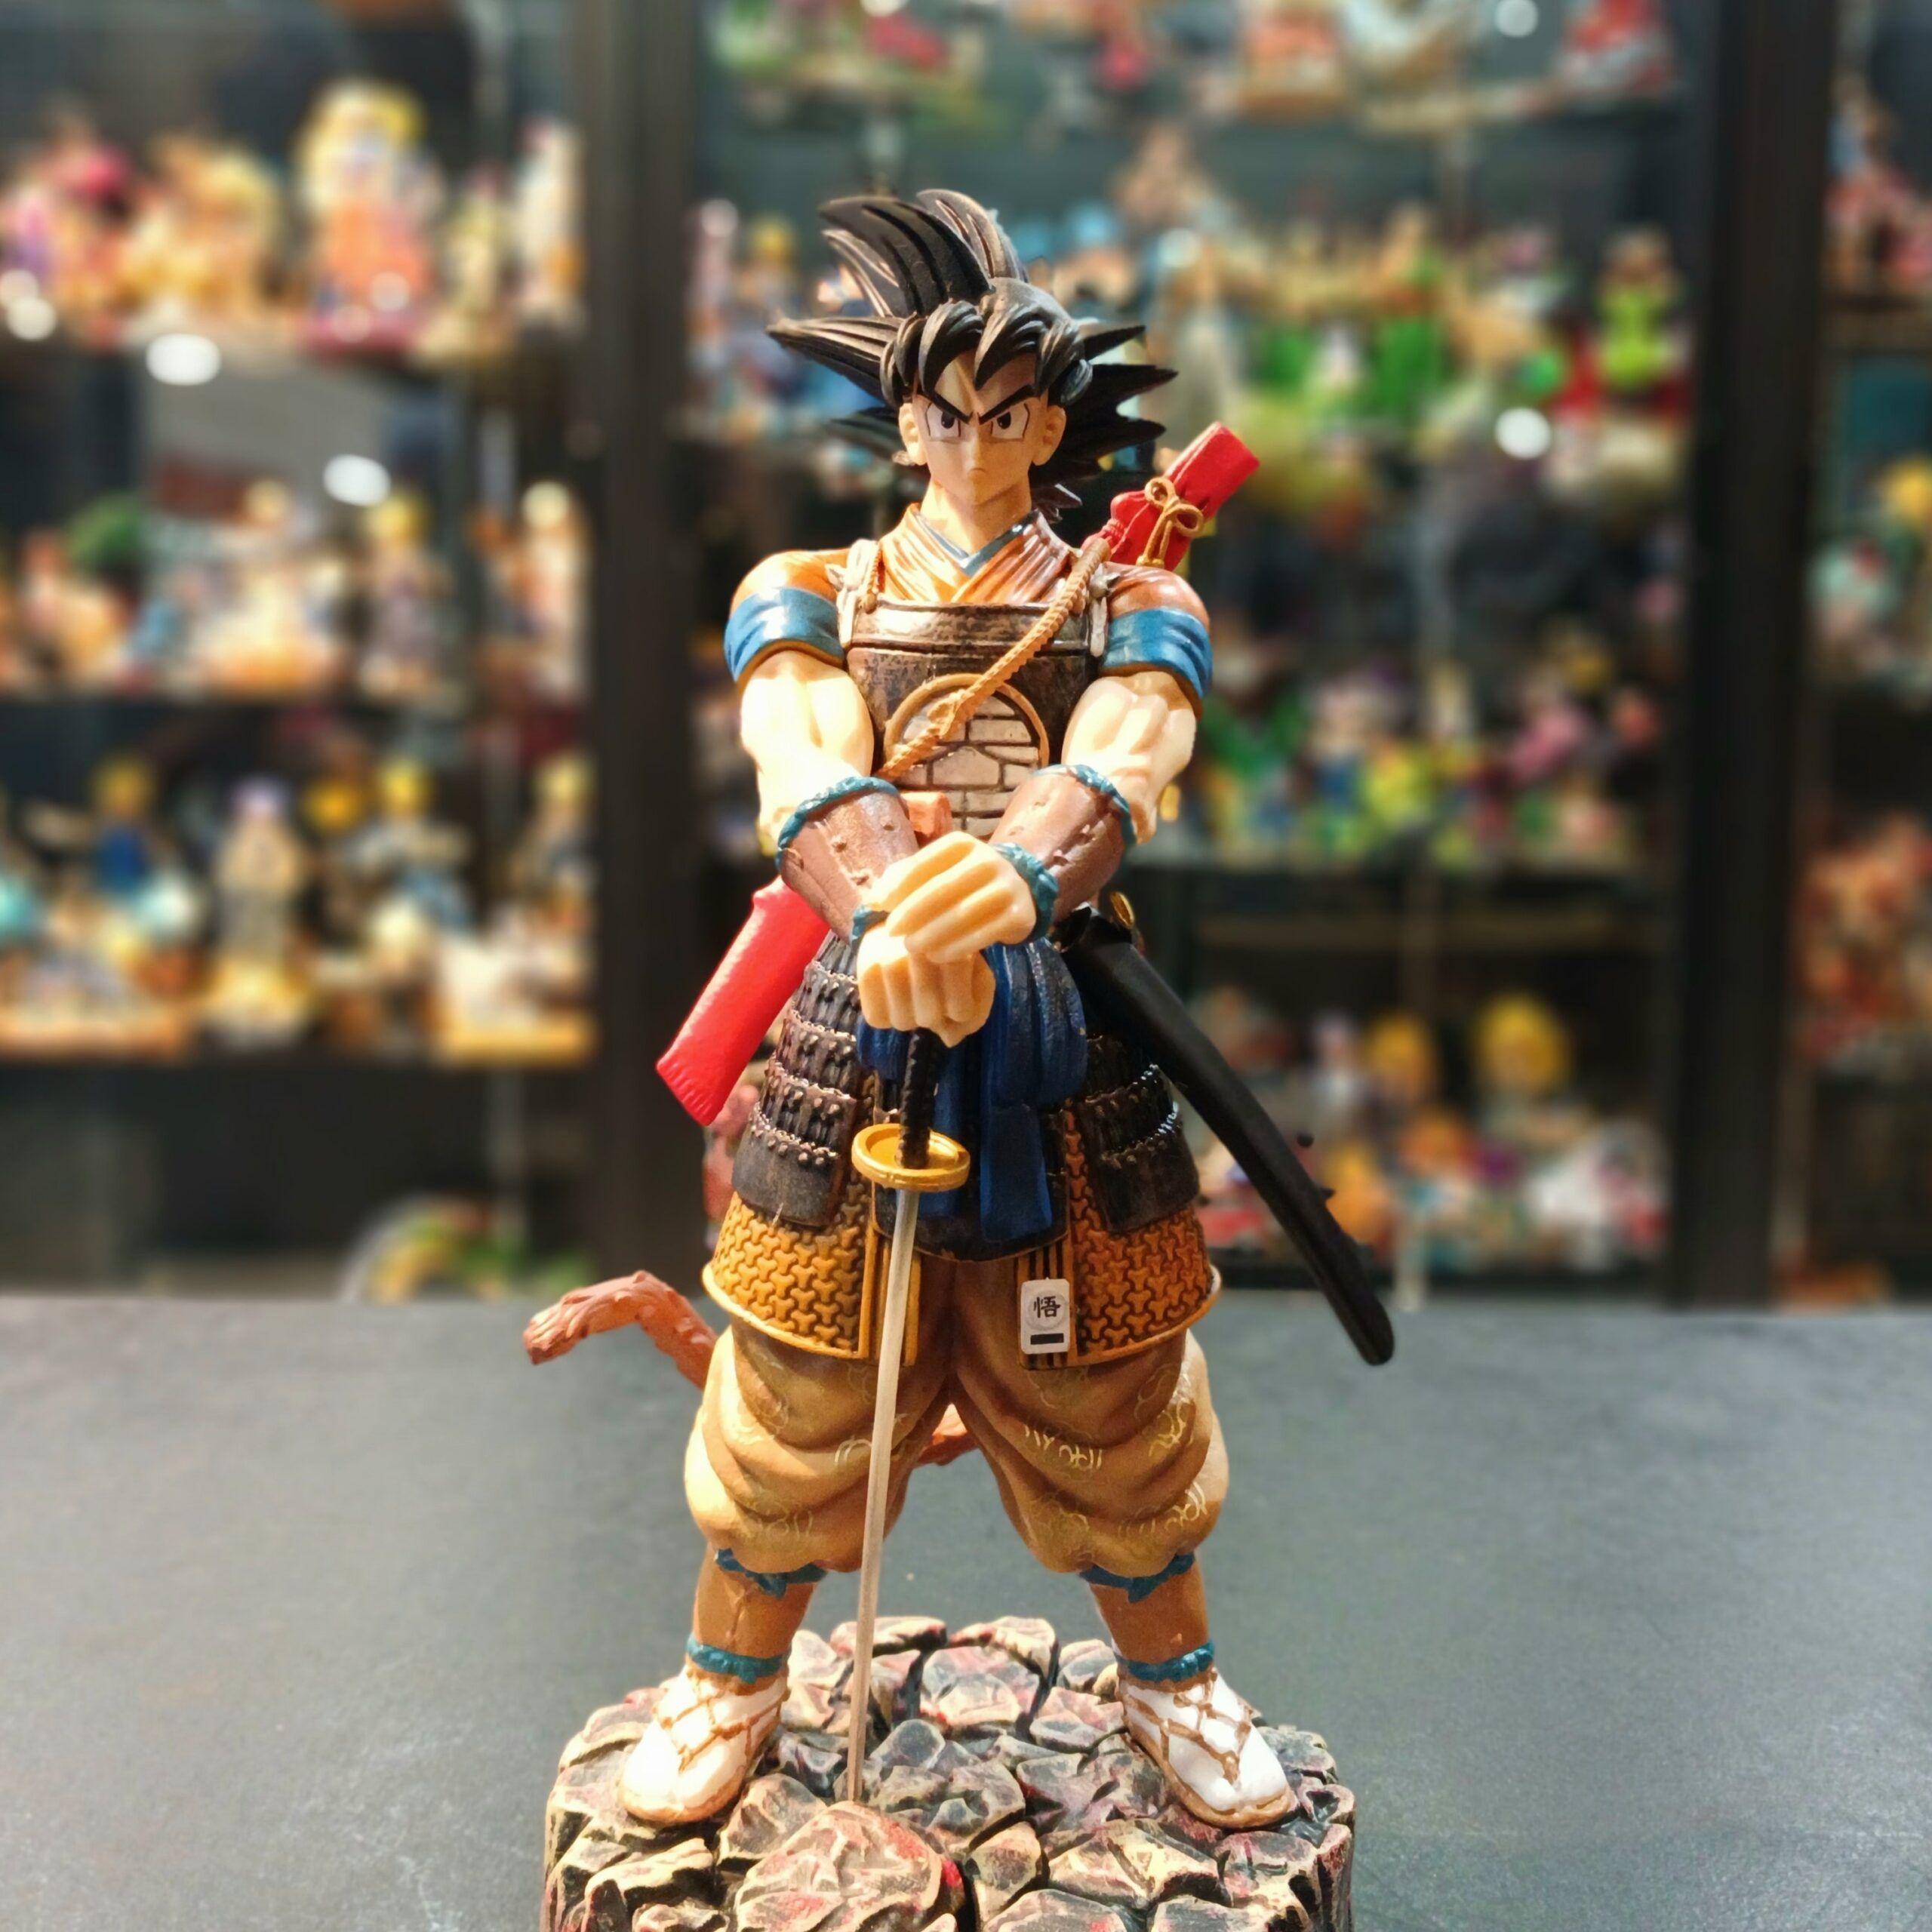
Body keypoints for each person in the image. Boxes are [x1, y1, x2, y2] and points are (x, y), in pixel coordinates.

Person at [622, 191, 1292, 1834]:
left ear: (1050, 424)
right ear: (904, 421)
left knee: (1112, 1391)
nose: (973, 443)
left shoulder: (1130, 597)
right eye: (943, 412)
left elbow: (1128, 748)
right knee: (796, 1387)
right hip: (855, 1031)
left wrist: (1014, 877)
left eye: (1006, 415)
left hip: (1060, 1034)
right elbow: (799, 749)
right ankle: (729, 1679)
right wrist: (886, 907)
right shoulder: (809, 584)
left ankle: (1172, 1684)